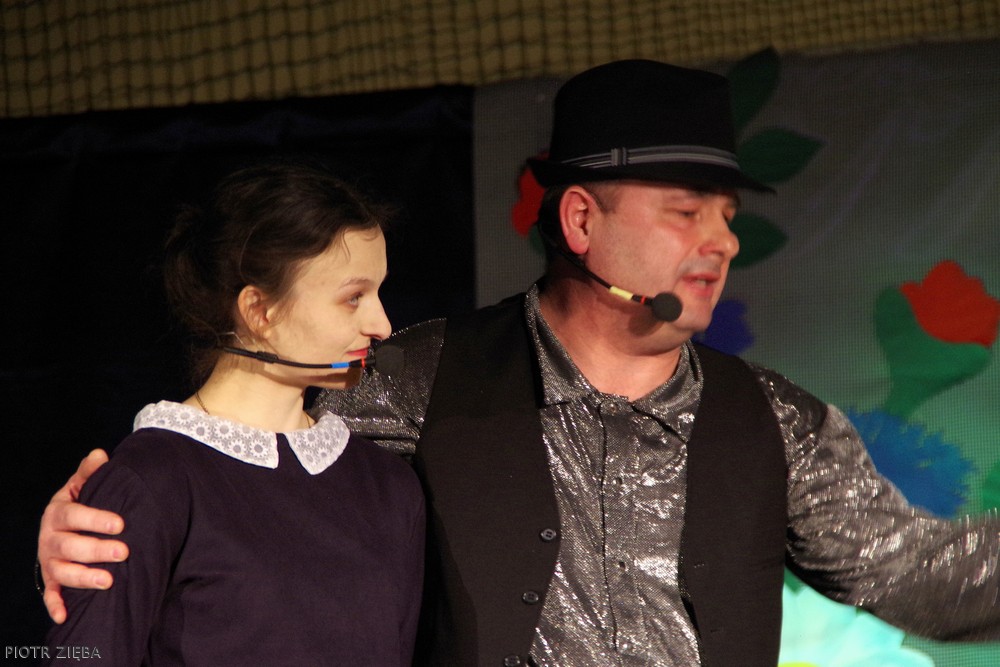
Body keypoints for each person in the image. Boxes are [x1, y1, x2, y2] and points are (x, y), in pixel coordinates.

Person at [37, 61, 1000, 666]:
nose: (722, 242)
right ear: (581, 220)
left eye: (727, 216)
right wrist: (95, 521)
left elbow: (925, 573)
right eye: (684, 211)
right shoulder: (412, 382)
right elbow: (239, 460)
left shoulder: (776, 422)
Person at [40, 163, 425, 666]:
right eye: (353, 298)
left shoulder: (388, 486)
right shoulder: (154, 478)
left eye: (377, 293)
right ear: (260, 311)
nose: (382, 325)